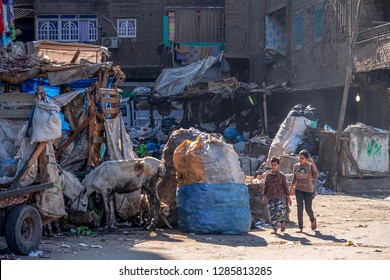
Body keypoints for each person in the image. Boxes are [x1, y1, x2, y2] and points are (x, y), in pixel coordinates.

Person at [289, 150, 319, 233]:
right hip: (298, 190)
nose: (300, 159)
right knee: (299, 208)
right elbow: (294, 178)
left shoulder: (309, 166)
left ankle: (312, 219)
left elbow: (316, 175)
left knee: (308, 208)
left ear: (306, 159)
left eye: (302, 158)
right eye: (299, 158)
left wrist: (312, 164)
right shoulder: (296, 166)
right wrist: (291, 188)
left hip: (308, 190)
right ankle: (301, 228)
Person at [262, 156, 292, 234]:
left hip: (279, 196)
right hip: (270, 197)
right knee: (271, 214)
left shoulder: (281, 176)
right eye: (272, 165)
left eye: (275, 165)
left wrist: (288, 197)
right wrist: (264, 196)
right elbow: (266, 186)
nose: (273, 166)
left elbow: (285, 187)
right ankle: (275, 229)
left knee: (279, 212)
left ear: (278, 165)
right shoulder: (268, 176)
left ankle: (282, 221)